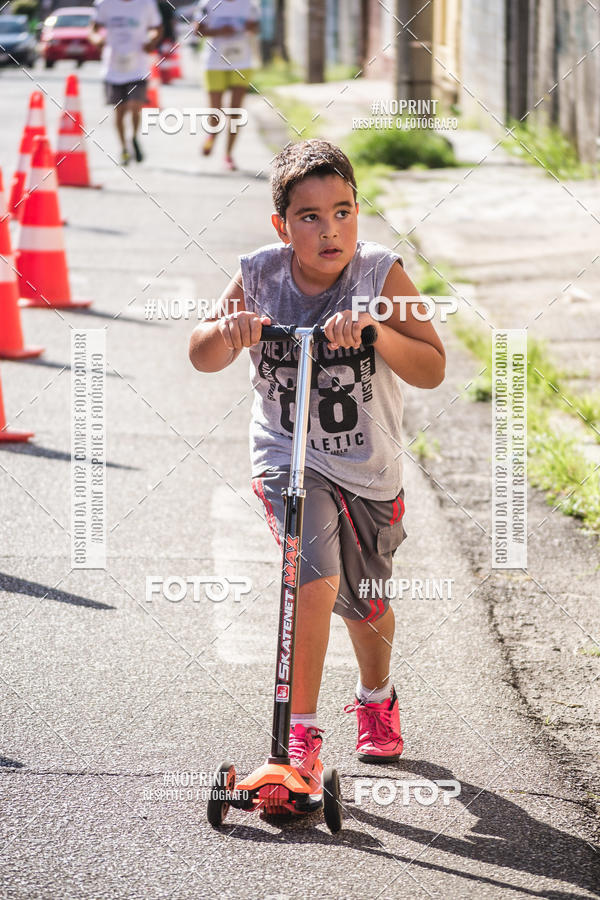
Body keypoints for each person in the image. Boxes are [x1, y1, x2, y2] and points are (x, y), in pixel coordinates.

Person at [188, 140, 446, 790]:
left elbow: (432, 366)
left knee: (366, 604)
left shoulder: (381, 274)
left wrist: (374, 333)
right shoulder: (260, 273)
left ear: (358, 212)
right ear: (281, 225)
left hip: (367, 467)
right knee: (311, 575)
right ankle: (295, 742)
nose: (329, 229)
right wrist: (231, 331)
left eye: (343, 211)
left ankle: (375, 695)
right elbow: (201, 354)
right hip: (287, 459)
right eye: (309, 216)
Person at [90, 0, 163, 166]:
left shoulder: (146, 4)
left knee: (135, 108)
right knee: (120, 112)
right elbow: (93, 29)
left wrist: (151, 41)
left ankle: (134, 138)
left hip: (138, 68)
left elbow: (157, 28)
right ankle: (123, 147)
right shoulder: (104, 4)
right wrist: (96, 40)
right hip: (113, 69)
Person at [193, 0, 260, 170]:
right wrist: (219, 31)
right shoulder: (208, 3)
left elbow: (257, 28)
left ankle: (228, 155)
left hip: (241, 62)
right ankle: (212, 135)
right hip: (214, 63)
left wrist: (250, 27)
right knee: (216, 112)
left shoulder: (249, 4)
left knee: (235, 112)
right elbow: (197, 31)